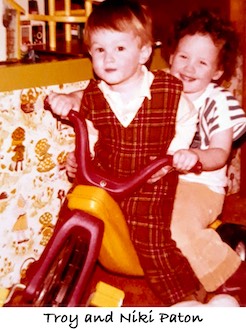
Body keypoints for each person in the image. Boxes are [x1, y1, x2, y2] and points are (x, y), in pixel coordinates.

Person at [46, 0, 202, 306]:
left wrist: (177, 154)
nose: (108, 58)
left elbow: (187, 118)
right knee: (71, 217)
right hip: (105, 174)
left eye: (119, 48)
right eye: (99, 49)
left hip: (150, 181)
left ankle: (185, 295)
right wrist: (80, 158)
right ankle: (50, 286)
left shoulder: (168, 90)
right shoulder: (93, 94)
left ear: (144, 53)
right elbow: (89, 131)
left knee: (150, 239)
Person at [163, 9, 246, 306]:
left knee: (176, 226)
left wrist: (196, 156)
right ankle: (188, 282)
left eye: (202, 62)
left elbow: (221, 153)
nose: (189, 68)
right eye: (184, 57)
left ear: (217, 72)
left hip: (201, 185)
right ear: (171, 56)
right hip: (162, 179)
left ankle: (233, 276)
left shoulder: (217, 102)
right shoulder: (159, 88)